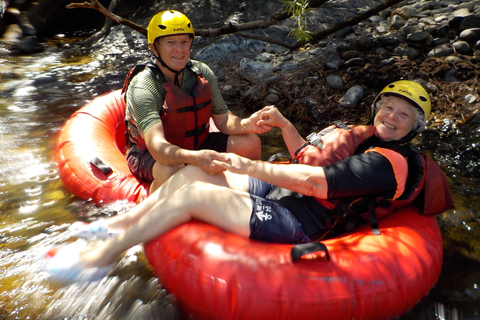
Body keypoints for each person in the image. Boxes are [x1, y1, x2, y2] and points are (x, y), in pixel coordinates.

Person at [47, 80, 454, 282]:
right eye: (389, 106)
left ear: (414, 128)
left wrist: (247, 167)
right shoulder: (363, 135)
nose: (391, 116)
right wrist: (281, 123)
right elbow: (307, 157)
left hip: (301, 221)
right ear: (378, 106)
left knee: (194, 195)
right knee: (193, 170)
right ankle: (114, 228)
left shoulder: (390, 163)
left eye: (404, 115)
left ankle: (99, 261)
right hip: (284, 194)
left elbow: (315, 183)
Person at [123, 10, 266, 193]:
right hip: (148, 154)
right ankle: (156, 208)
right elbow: (158, 147)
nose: (180, 49)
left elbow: (223, 121)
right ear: (154, 48)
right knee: (172, 169)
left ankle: (253, 194)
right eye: (170, 42)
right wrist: (195, 158)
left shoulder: (201, 72)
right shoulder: (145, 86)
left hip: (197, 143)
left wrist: (249, 124)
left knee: (250, 142)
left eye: (185, 42)